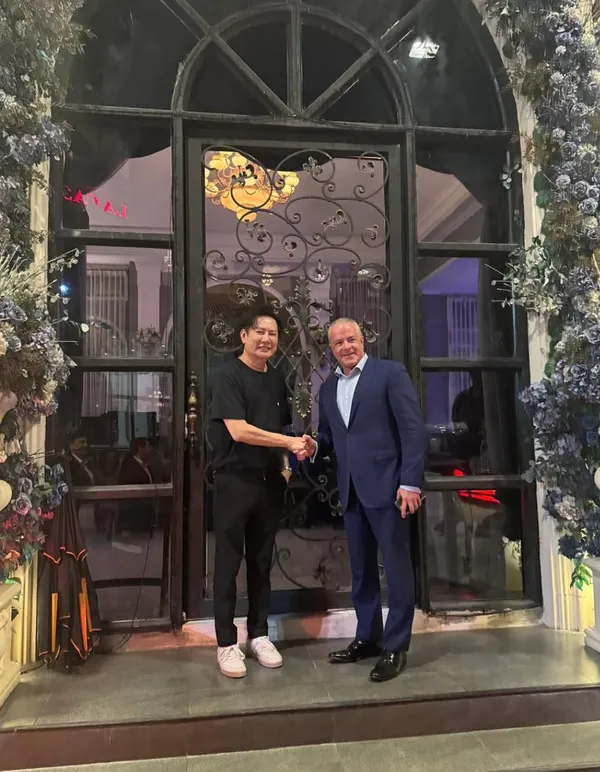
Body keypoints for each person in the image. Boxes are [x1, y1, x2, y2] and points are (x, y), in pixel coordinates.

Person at [301, 318, 427, 682]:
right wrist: (314, 446)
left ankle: (396, 645)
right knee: (361, 570)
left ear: (362, 340)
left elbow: (412, 430)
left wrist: (410, 483)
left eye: (351, 339)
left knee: (397, 568)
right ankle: (368, 637)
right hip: (351, 491)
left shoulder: (389, 374)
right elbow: (329, 436)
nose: (346, 347)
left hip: (390, 490)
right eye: (338, 343)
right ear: (331, 349)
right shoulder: (328, 389)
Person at [208, 307, 307, 679]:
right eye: (260, 332)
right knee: (228, 562)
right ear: (244, 336)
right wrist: (288, 443)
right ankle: (225, 642)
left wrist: (286, 465)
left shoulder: (277, 377)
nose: (267, 339)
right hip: (234, 480)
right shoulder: (227, 375)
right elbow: (239, 430)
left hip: (269, 482)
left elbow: (280, 429)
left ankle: (259, 634)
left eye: (273, 333)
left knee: (262, 562)